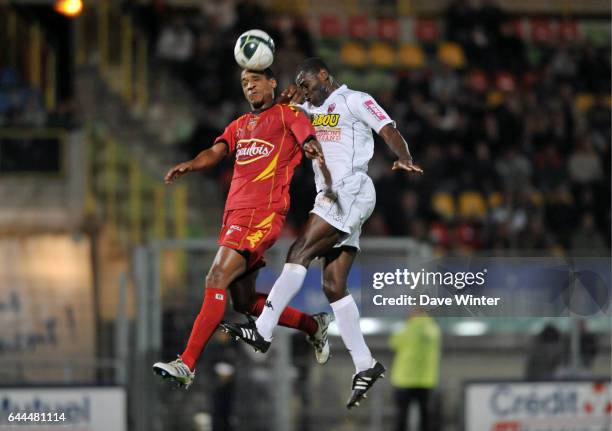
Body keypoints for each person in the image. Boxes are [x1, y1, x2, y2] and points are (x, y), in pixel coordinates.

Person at [222, 58, 423, 408]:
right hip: (332, 195)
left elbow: (387, 127)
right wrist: (283, 101)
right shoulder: (307, 108)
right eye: (299, 83)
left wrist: (403, 155)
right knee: (333, 286)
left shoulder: (354, 100)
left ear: (325, 76)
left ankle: (264, 329)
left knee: (298, 252)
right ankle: (365, 363)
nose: (304, 87)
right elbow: (275, 117)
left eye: (307, 81)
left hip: (350, 189)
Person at [152, 67, 334, 389]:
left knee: (215, 277)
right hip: (235, 217)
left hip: (261, 214)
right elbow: (216, 151)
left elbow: (305, 131)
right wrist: (193, 164)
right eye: (244, 83)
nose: (250, 87)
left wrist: (308, 145)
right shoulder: (240, 125)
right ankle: (313, 325)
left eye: (256, 81)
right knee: (244, 303)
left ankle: (187, 363)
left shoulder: (286, 114)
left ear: (272, 82)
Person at [389, 308, 441, 431]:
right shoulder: (433, 328)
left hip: (404, 379)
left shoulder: (407, 328)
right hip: (426, 380)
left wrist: (409, 324)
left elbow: (394, 342)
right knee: (426, 417)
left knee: (401, 417)